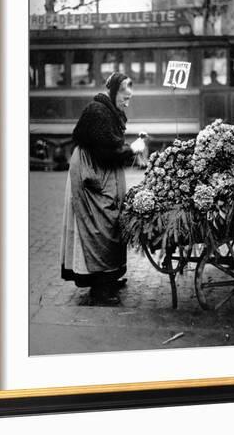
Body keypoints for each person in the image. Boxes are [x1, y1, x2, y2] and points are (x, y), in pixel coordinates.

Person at [60, 72, 144, 305]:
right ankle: (99, 289)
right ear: (115, 91)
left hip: (101, 168)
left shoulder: (109, 110)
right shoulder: (98, 111)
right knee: (99, 224)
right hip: (91, 173)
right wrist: (132, 150)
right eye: (125, 98)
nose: (127, 102)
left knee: (110, 220)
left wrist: (128, 148)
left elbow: (109, 145)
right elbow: (106, 153)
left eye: (129, 99)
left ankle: (108, 277)